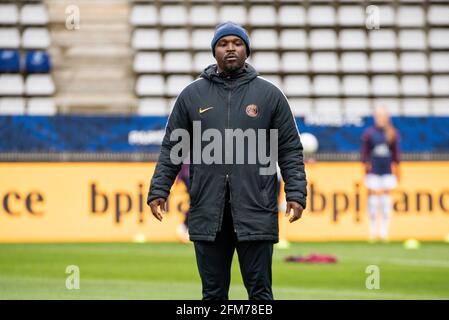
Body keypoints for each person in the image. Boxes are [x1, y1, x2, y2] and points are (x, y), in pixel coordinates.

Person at [147, 22, 307, 300]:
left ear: (247, 49)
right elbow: (172, 148)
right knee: (212, 294)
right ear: (214, 51)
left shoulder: (270, 95)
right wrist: (159, 189)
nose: (230, 48)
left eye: (237, 43)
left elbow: (290, 149)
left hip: (256, 210)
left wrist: (296, 192)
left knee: (260, 294)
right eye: (223, 43)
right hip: (209, 210)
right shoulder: (191, 95)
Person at [361, 106, 400, 242]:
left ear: (387, 117)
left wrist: (397, 171)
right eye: (378, 115)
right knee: (372, 199)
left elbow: (396, 155)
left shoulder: (392, 133)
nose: (380, 118)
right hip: (374, 170)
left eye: (383, 115)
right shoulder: (369, 133)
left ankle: (384, 232)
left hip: (387, 171)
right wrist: (365, 170)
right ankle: (372, 231)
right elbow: (364, 154)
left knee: (386, 200)